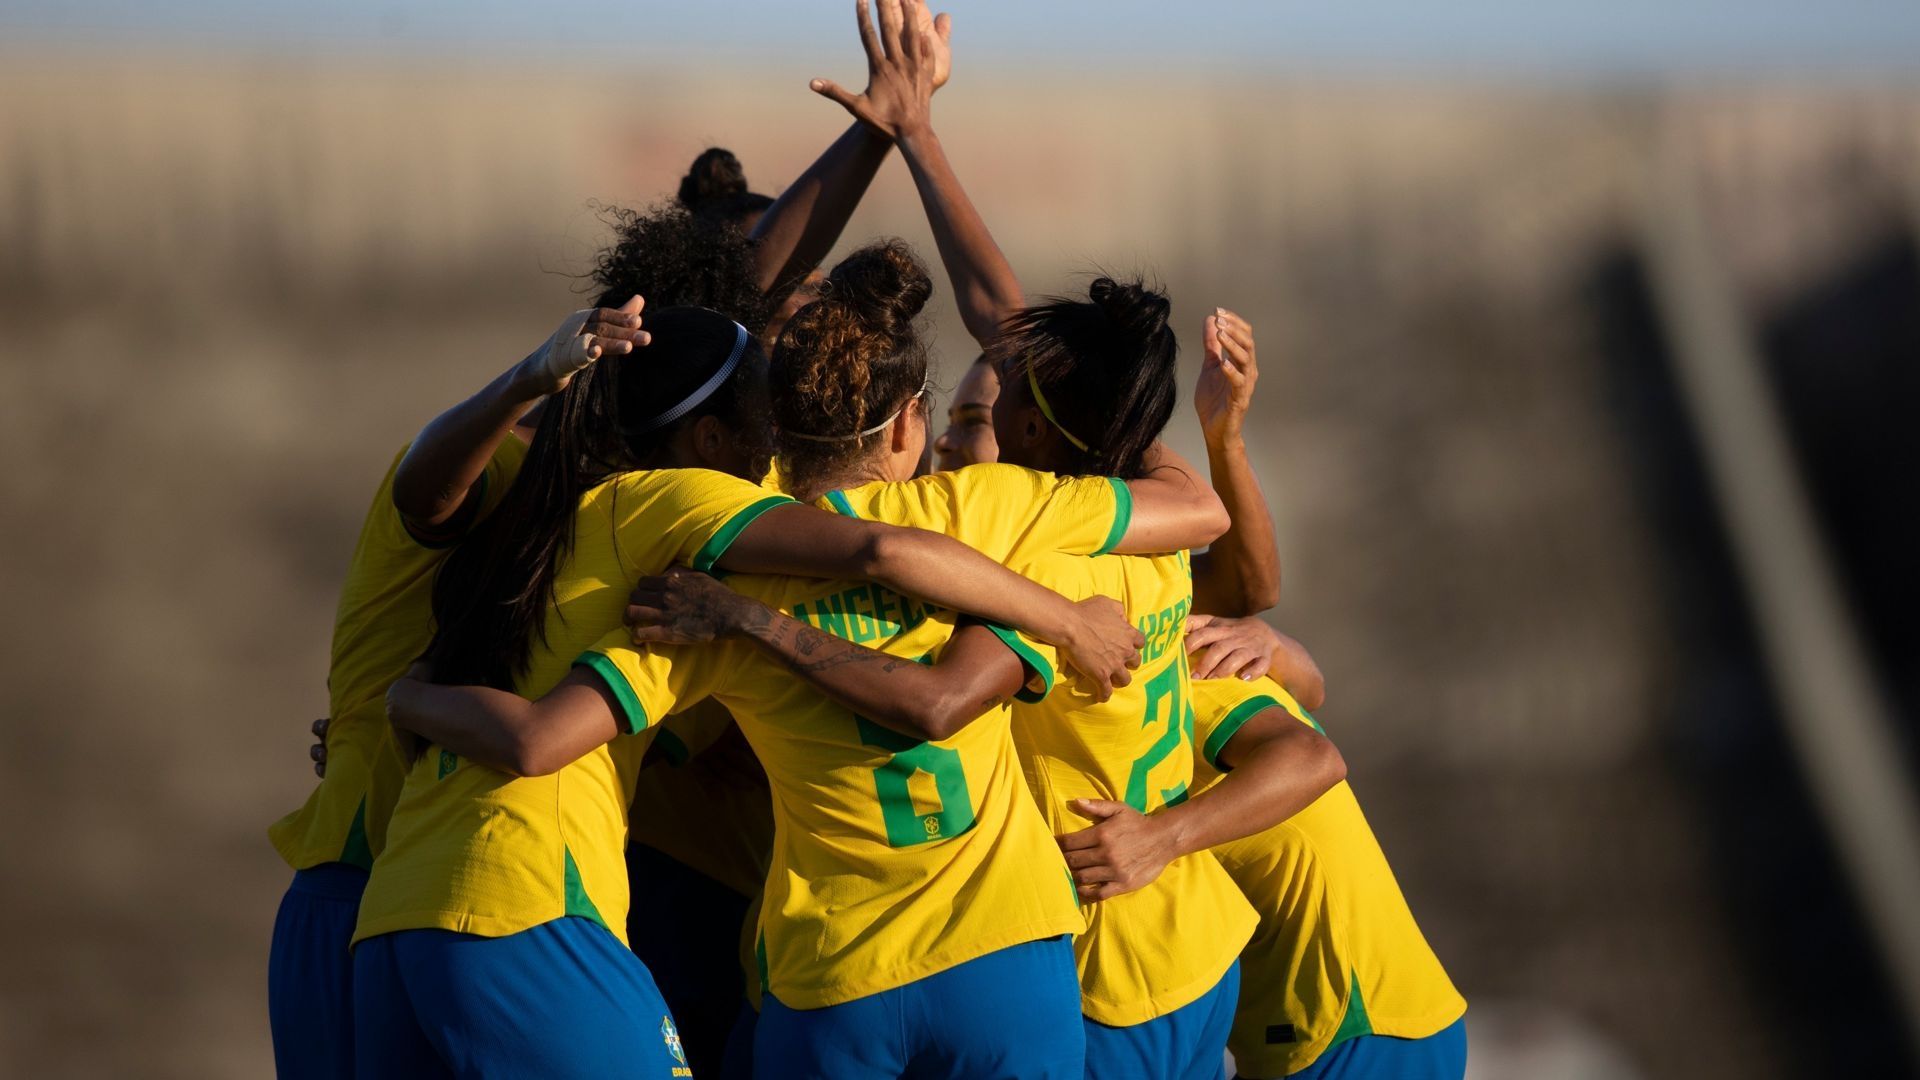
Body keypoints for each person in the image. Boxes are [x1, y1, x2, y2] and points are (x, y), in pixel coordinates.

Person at [388, 235, 1233, 1079]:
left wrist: (415, 700)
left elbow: (595, 735)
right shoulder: (989, 510)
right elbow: (1199, 513)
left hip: (833, 980)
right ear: (911, 421)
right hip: (1003, 953)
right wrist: (1117, 409)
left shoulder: (703, 588)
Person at [1188, 676, 1469, 1080]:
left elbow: (1312, 755)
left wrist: (1155, 840)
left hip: (1352, 1023)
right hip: (1384, 1017)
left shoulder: (1188, 681)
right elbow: (1311, 686)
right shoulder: (1232, 663)